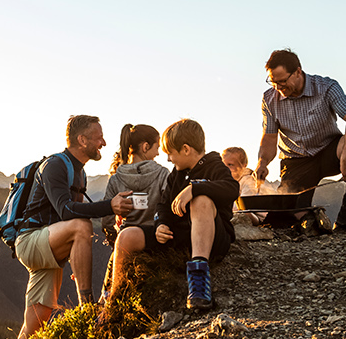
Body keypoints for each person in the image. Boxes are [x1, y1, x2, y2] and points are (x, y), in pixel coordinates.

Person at [15, 115, 134, 339]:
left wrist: (76, 256)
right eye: (99, 138)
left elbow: (70, 220)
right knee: (81, 226)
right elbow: (67, 212)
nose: (104, 143)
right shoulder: (54, 165)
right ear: (82, 139)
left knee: (34, 326)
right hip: (30, 240)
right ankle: (87, 308)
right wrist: (111, 206)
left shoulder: (79, 172)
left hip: (48, 245)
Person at [102, 119, 238, 312]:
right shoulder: (176, 174)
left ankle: (199, 282)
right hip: (179, 237)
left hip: (212, 239)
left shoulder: (215, 166)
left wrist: (195, 189)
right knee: (126, 236)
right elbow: (163, 205)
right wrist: (161, 224)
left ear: (186, 149)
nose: (168, 159)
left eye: (170, 154)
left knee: (201, 200)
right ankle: (114, 299)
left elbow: (232, 189)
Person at [253, 49, 346, 232]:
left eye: (283, 81)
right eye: (273, 81)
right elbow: (269, 137)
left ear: (298, 72)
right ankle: (307, 217)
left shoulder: (326, 87)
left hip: (329, 151)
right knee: (284, 219)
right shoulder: (269, 99)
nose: (278, 87)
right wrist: (262, 162)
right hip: (295, 161)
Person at [103, 124, 170, 235]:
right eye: (157, 147)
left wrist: (115, 240)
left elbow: (107, 221)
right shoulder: (163, 174)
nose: (158, 153)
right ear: (146, 147)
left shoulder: (115, 179)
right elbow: (168, 207)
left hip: (126, 239)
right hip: (155, 238)